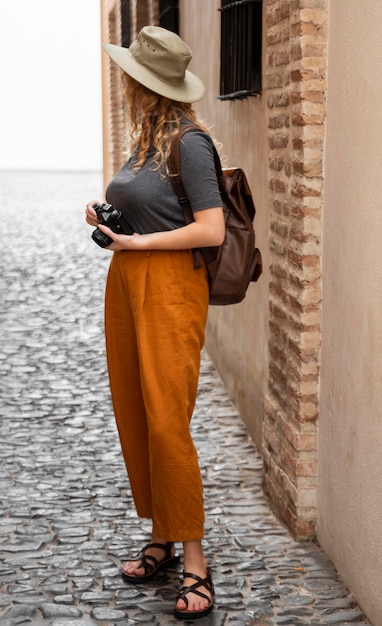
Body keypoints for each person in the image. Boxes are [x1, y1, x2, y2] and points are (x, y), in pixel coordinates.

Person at [85, 25, 224, 620]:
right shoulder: (146, 139)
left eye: (130, 75)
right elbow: (151, 211)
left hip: (169, 290)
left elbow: (212, 228)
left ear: (147, 85)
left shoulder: (189, 143)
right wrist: (109, 219)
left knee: (169, 423)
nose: (123, 82)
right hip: (128, 284)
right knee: (137, 412)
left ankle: (196, 563)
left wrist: (138, 247)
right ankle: (163, 539)